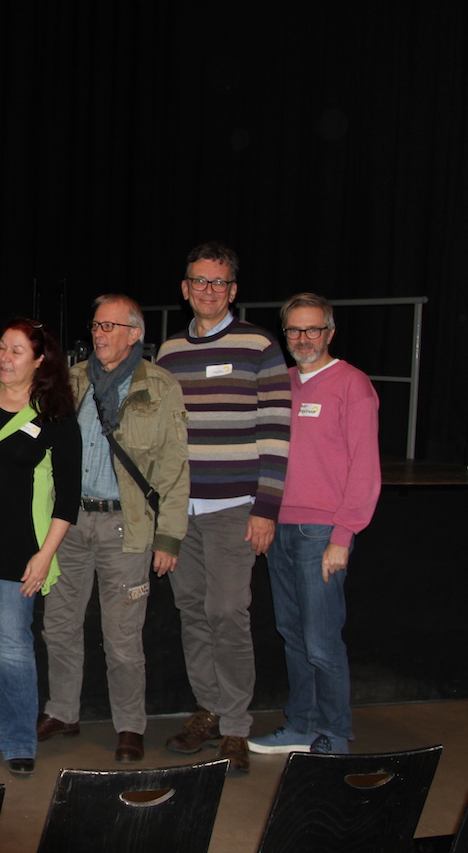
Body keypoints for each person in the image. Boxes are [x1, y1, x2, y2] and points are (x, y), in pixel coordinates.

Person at [155, 242, 291, 774]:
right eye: (199, 281)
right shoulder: (169, 352)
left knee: (228, 612)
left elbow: (277, 431)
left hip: (236, 508)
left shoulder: (259, 345)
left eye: (218, 282)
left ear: (232, 290)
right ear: (185, 288)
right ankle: (208, 708)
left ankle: (236, 726)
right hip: (181, 511)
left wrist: (266, 508)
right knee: (192, 610)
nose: (208, 290)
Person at [38, 295, 190, 763]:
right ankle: (63, 712)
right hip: (69, 522)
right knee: (59, 625)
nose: (99, 334)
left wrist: (168, 538)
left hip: (127, 526)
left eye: (110, 326)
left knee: (123, 638)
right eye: (96, 325)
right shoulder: (74, 380)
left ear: (134, 333)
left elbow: (174, 467)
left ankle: (129, 725)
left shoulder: (159, 386)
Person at [248, 293, 379, 756]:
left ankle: (336, 734)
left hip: (321, 533)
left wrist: (343, 536)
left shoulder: (352, 384)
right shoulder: (280, 384)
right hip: (280, 528)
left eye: (313, 329)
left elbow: (365, 469)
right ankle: (302, 725)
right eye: (294, 330)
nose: (303, 338)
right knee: (292, 635)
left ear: (330, 332)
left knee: (321, 641)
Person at [0, 318, 79, 778]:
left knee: (12, 646)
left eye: (17, 351)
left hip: (22, 551)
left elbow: (68, 496)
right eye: (2, 348)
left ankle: (20, 738)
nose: (5, 358)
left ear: (40, 360)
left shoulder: (55, 415)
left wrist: (45, 555)